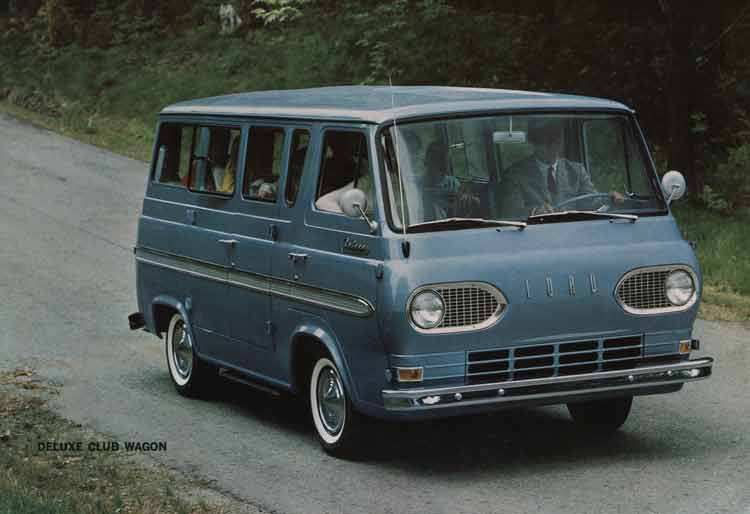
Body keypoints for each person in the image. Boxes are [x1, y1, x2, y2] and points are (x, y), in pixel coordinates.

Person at [499, 118, 623, 217]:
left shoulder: (577, 170)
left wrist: (609, 199)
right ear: (534, 144)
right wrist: (535, 212)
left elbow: (591, 202)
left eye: (556, 142)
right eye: (546, 143)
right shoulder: (515, 174)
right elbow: (511, 213)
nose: (553, 148)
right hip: (534, 234)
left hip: (575, 232)